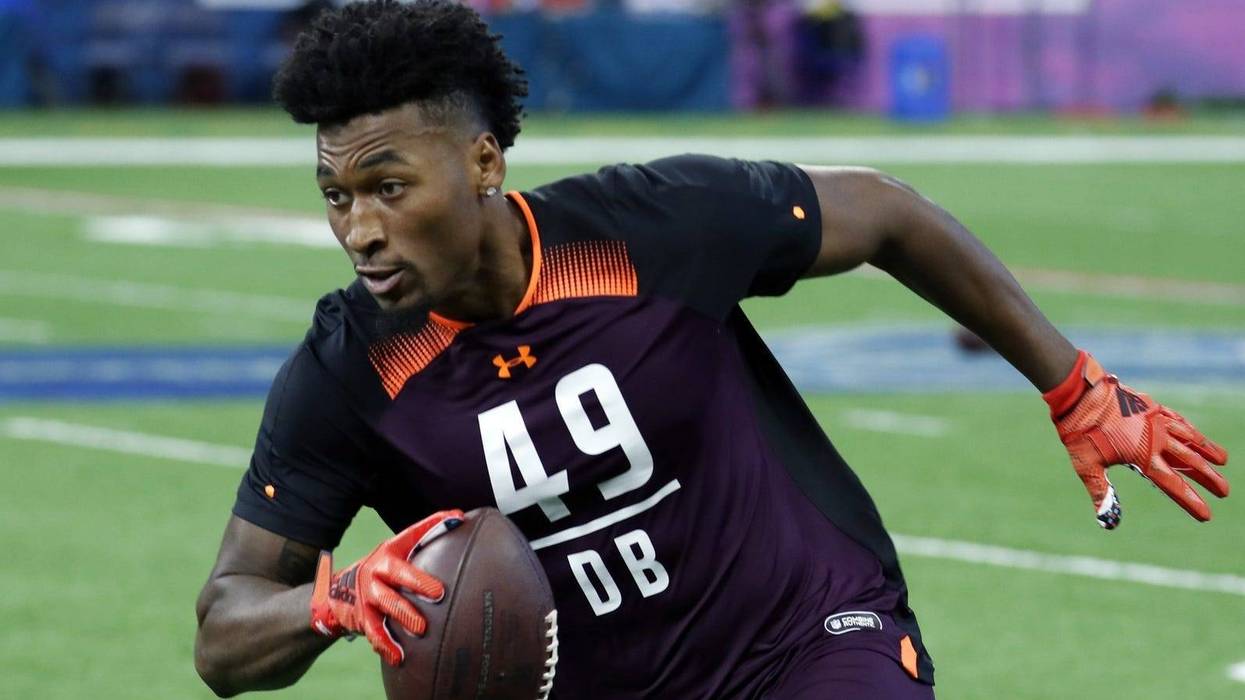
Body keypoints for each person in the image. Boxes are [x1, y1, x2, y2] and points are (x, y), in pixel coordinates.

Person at [192, 1, 1231, 698]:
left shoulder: (649, 229)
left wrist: (1073, 385)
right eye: (336, 196)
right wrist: (328, 602)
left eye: (387, 186)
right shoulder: (349, 372)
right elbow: (223, 631)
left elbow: (887, 213)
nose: (359, 228)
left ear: (482, 161)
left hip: (811, 638)